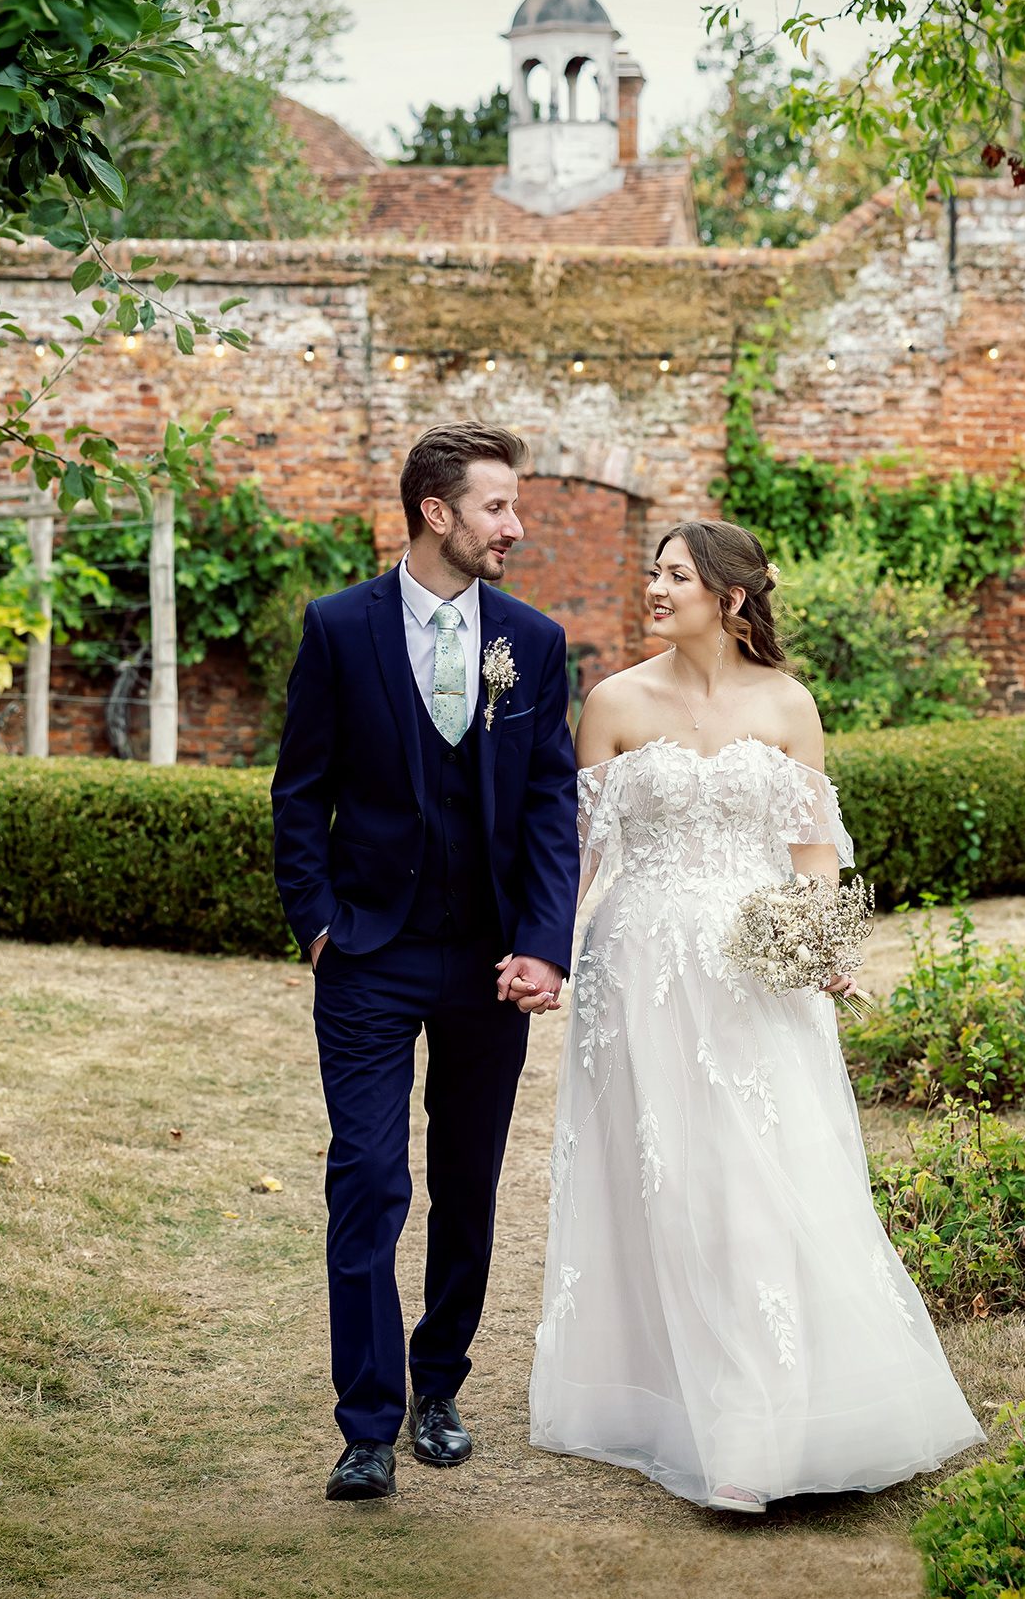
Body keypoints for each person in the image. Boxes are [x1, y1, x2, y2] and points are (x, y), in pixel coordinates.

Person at [528, 518, 984, 1512]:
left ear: (730, 598)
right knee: (666, 1182)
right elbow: (578, 856)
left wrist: (818, 949)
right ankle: (677, 1409)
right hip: (638, 976)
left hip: (755, 976)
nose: (656, 589)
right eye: (654, 573)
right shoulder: (611, 701)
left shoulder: (787, 704)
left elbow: (814, 851)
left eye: (677, 576)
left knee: (762, 1181)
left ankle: (767, 1419)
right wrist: (545, 959)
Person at [271, 422, 581, 1502]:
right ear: (436, 513)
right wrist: (316, 923)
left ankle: (437, 1385)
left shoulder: (533, 644)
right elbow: (298, 792)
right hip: (366, 953)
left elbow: (550, 807)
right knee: (366, 1179)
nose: (516, 525)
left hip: (489, 959)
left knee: (467, 1182)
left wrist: (543, 946)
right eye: (498, 506)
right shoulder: (337, 629)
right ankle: (365, 1424)